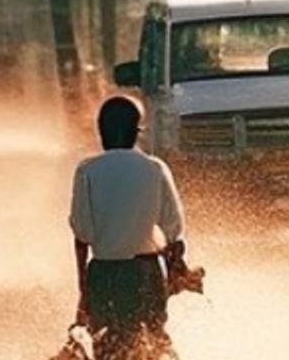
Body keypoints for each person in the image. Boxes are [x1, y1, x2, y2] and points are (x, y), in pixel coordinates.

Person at [68, 95, 199, 338]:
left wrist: (84, 290)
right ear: (137, 132)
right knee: (153, 334)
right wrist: (177, 267)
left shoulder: (86, 170)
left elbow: (82, 234)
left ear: (101, 132)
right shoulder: (154, 168)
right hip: (145, 273)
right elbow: (173, 230)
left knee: (104, 340)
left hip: (104, 274)